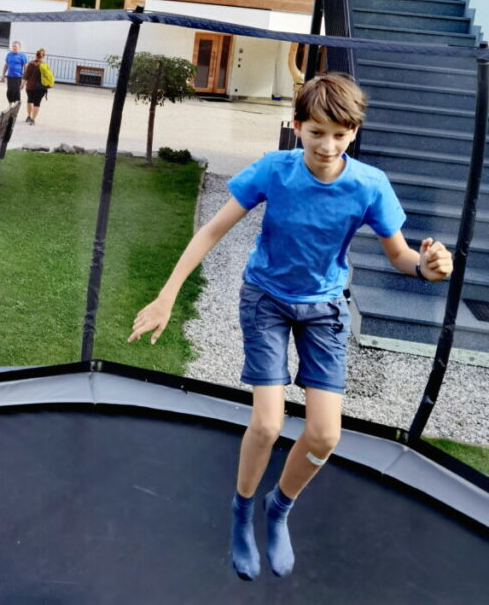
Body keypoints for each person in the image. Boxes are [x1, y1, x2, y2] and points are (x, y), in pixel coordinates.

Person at [128, 72, 453, 581]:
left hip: (324, 308)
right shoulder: (274, 172)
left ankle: (278, 510)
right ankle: (241, 512)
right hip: (267, 300)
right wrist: (167, 295)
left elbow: (401, 255)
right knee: (267, 424)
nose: (327, 145)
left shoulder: (370, 185)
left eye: (340, 135)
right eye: (317, 132)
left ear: (354, 132)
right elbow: (211, 229)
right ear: (297, 125)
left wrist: (425, 267)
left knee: (325, 435)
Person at [23, 48, 49, 125]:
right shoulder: (45, 66)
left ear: (36, 55)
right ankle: (33, 120)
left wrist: (22, 85)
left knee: (30, 101)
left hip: (30, 87)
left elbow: (25, 76)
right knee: (37, 103)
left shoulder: (30, 64)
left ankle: (28, 116)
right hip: (41, 88)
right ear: (43, 56)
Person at [0, 40, 28, 105]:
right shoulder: (9, 54)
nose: (14, 48)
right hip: (10, 76)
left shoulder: (22, 56)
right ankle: (10, 106)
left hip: (18, 77)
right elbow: (6, 65)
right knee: (9, 91)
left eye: (15, 46)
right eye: (13, 46)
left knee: (16, 92)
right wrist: (3, 76)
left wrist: (24, 79)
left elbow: (26, 68)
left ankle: (15, 107)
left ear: (19, 47)